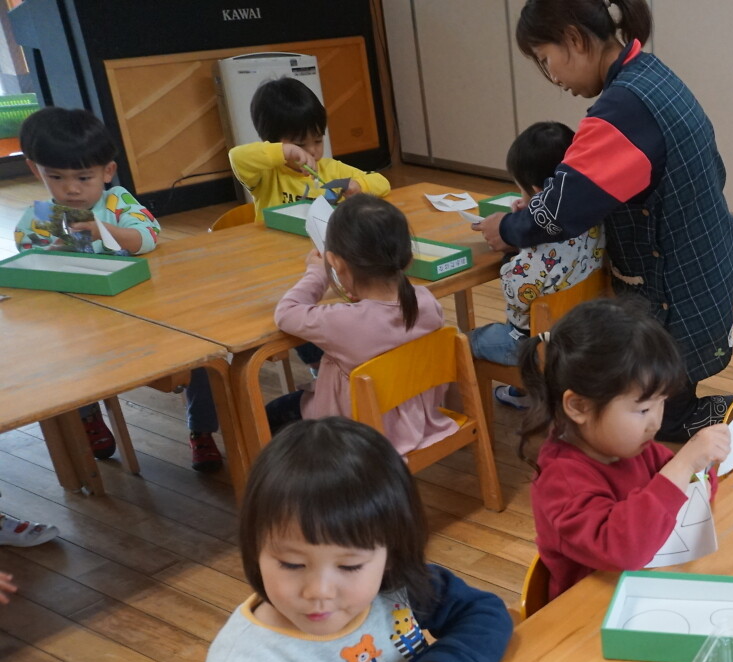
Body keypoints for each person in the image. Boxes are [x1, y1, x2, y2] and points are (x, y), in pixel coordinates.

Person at [204, 418, 513, 662]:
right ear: (255, 550)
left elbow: (487, 613)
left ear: (391, 554)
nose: (319, 591)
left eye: (349, 566)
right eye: (291, 564)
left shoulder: (397, 587)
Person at [477, 0, 733, 441]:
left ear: (575, 40)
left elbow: (561, 211)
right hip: (708, 269)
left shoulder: (623, 111)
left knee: (652, 415)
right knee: (655, 398)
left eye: (545, 59)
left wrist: (505, 229)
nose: (552, 77)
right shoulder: (652, 74)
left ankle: (712, 418)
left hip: (679, 296)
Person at [15, 108, 223, 471]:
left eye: (84, 177)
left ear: (107, 171)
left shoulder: (116, 202)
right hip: (80, 325)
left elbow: (147, 237)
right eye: (56, 177)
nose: (71, 189)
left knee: (203, 356)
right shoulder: (41, 216)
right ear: (36, 170)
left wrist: (103, 230)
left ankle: (201, 430)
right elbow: (27, 258)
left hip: (144, 316)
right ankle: (87, 416)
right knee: (65, 361)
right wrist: (49, 250)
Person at [520, 298, 730, 597]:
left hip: (646, 586)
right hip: (589, 610)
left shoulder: (632, 446)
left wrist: (701, 475)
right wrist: (684, 464)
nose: (655, 422)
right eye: (643, 409)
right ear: (579, 406)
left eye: (661, 403)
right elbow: (624, 550)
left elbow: (680, 492)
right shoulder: (562, 480)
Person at [266, 195, 454, 455]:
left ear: (336, 263)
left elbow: (286, 313)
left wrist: (318, 273)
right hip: (416, 420)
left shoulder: (341, 321)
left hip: (354, 431)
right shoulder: (426, 301)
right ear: (407, 258)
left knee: (269, 416)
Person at [473, 121, 605, 408]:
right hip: (583, 332)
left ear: (535, 190)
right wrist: (530, 213)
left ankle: (527, 393)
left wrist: (512, 254)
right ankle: (524, 391)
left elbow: (517, 295)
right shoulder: (594, 216)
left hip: (538, 344)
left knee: (473, 341)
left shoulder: (538, 251)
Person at [228, 77, 390, 210]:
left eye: (318, 140)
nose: (312, 150)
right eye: (300, 145)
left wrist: (359, 185)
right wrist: (285, 152)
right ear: (273, 143)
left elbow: (382, 183)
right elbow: (237, 157)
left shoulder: (332, 170)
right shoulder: (266, 175)